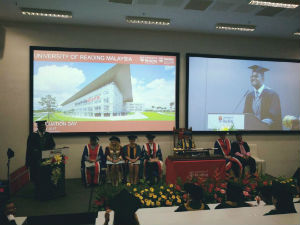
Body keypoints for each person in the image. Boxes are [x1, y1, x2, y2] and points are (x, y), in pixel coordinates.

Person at [243, 65, 282, 130]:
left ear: (263, 79)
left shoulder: (272, 94)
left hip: (268, 133)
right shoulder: (249, 96)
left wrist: (260, 125)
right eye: (252, 76)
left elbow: (273, 116)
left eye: (256, 76)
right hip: (251, 133)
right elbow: (246, 115)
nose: (253, 78)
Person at [25, 120, 55, 188]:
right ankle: (38, 191)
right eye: (42, 126)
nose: (44, 127)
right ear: (38, 127)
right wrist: (28, 162)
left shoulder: (48, 135)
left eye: (44, 126)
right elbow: (29, 149)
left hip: (46, 159)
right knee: (37, 177)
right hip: (36, 160)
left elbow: (52, 145)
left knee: (46, 177)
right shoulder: (32, 135)